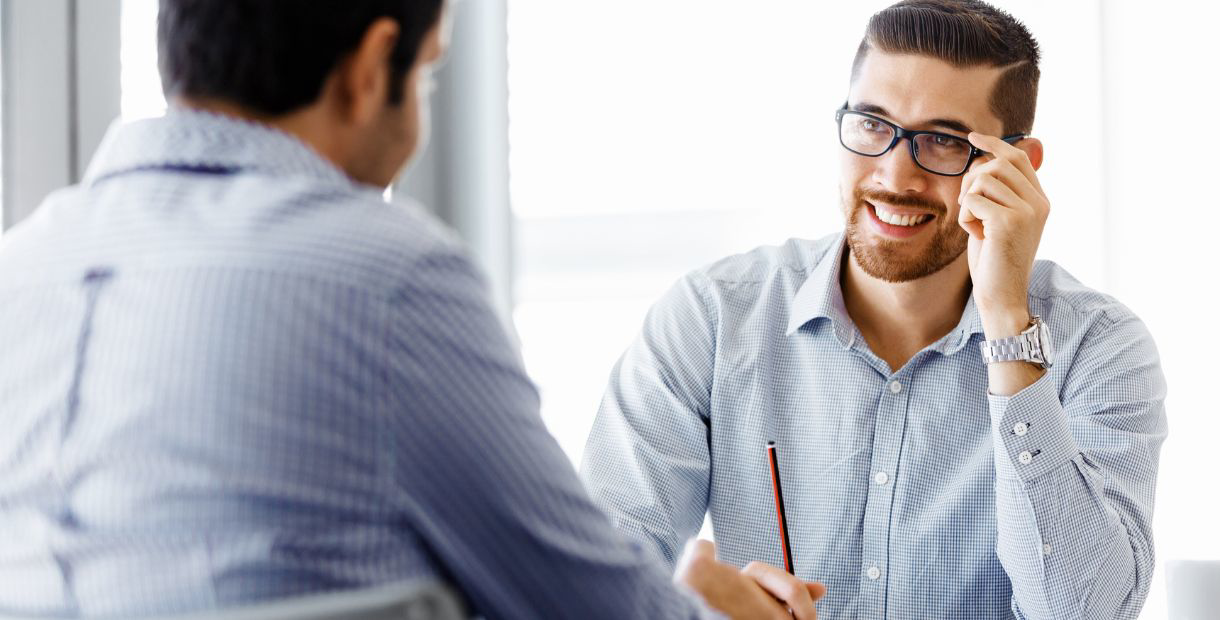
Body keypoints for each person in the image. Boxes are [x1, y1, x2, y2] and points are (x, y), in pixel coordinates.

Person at [0, 1, 824, 618]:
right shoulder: (383, 274)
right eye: (426, 75)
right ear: (371, 66)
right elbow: (580, 601)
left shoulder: (22, 263)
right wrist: (709, 604)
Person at [580, 1, 1168, 618]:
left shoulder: (1099, 344)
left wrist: (1006, 323)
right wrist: (686, 606)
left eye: (942, 141)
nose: (895, 175)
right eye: (871, 124)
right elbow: (589, 585)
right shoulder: (712, 319)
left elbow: (1083, 611)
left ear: (1017, 167)